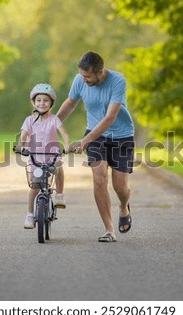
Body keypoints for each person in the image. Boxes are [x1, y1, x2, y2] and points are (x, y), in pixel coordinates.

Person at [57, 51, 135, 242]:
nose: (83, 80)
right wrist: (49, 124)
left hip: (122, 135)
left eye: (87, 76)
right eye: (81, 75)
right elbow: (70, 103)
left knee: (120, 186)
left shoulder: (118, 81)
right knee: (99, 179)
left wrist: (84, 141)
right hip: (95, 135)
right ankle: (109, 229)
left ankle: (124, 207)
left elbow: (110, 117)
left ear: (100, 73)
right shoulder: (79, 80)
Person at [16, 83, 70, 229]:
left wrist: (66, 145)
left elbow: (64, 134)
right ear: (34, 102)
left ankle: (59, 195)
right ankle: (29, 214)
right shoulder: (29, 120)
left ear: (51, 103)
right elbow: (23, 135)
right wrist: (21, 146)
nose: (42, 103)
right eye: (39, 100)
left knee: (59, 168)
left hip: (52, 156)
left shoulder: (54, 120)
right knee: (34, 187)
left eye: (46, 100)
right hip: (36, 157)